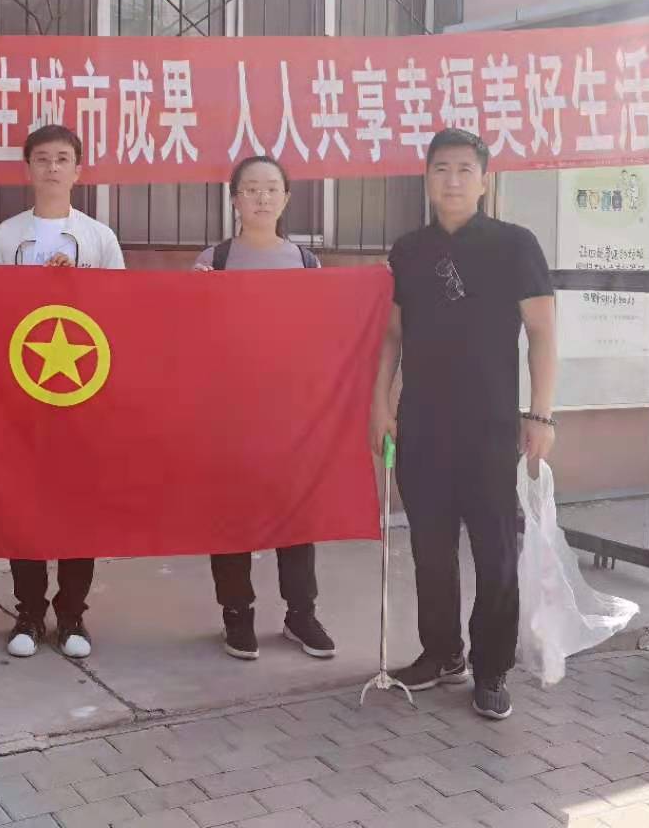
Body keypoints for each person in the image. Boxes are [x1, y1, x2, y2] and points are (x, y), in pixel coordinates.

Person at [371, 128, 557, 722]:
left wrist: (541, 413)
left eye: (463, 170)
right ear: (426, 178)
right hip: (422, 422)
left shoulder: (514, 245)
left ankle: (491, 667)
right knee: (429, 547)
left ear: (484, 180)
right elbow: (393, 335)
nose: (451, 180)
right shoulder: (408, 250)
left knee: (494, 550)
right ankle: (441, 652)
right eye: (440, 169)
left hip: (491, 425)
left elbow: (542, 333)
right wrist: (381, 404)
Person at [0, 123, 125, 660]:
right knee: (24, 501)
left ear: (78, 170)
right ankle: (28, 610)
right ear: (28, 168)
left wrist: (77, 283)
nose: (52, 167)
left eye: (62, 158)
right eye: (42, 158)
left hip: (83, 393)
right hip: (21, 393)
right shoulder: (6, 237)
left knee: (77, 503)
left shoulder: (99, 238)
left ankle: (72, 614)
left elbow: (119, 311)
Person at [191, 154, 337, 662]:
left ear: (286, 199)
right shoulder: (214, 259)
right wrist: (196, 299)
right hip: (228, 414)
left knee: (296, 513)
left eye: (271, 188)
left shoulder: (307, 263)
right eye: (250, 188)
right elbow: (187, 337)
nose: (261, 197)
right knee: (230, 514)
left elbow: (324, 335)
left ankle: (301, 613)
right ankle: (237, 612)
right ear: (235, 199)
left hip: (289, 414)